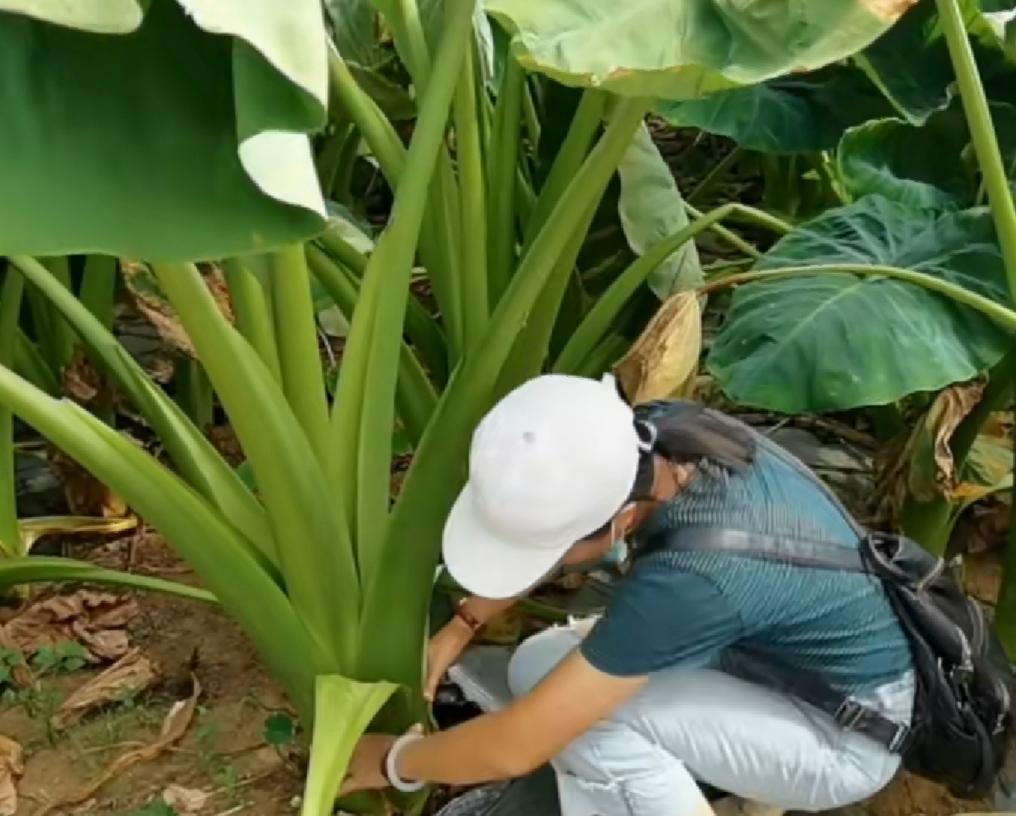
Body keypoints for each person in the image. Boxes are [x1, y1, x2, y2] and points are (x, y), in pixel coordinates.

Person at [343, 374, 915, 816]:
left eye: (551, 551)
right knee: (539, 668)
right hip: (772, 663)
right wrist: (462, 624)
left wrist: (395, 761)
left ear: (619, 519)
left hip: (845, 735)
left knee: (586, 723)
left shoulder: (690, 581)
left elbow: (516, 747)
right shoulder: (652, 436)